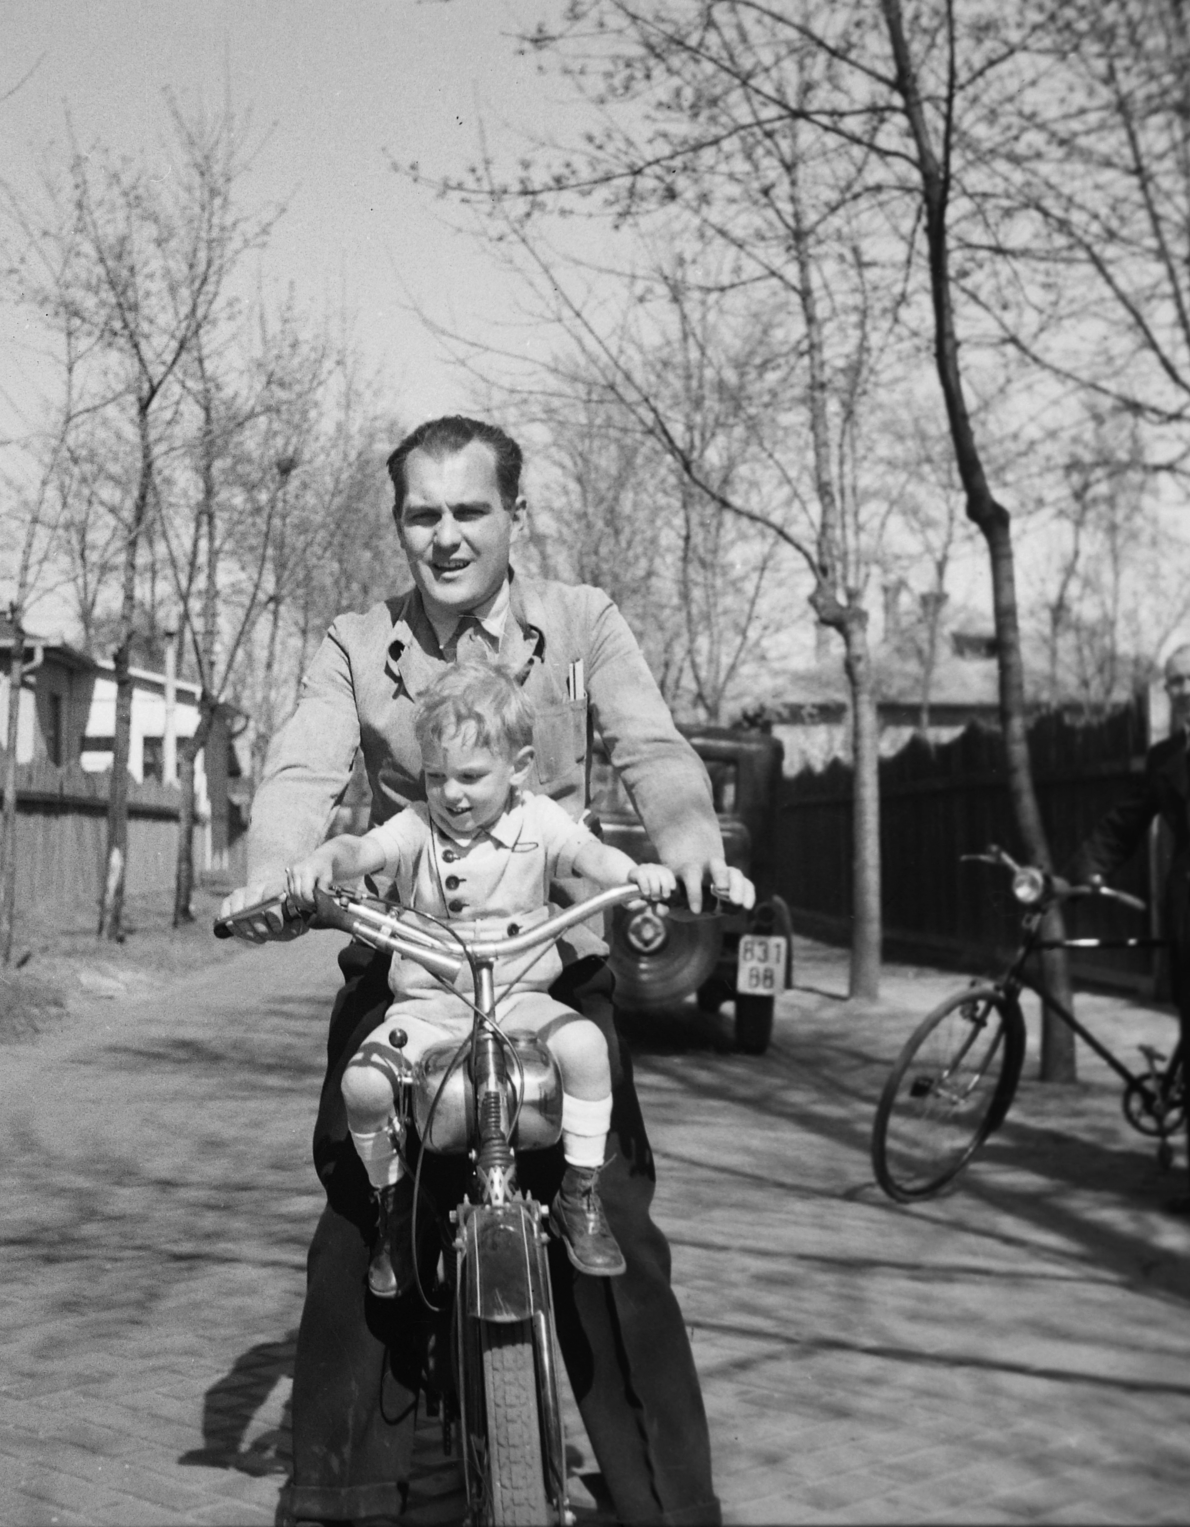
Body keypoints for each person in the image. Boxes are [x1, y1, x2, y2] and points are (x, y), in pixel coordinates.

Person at [220, 414, 749, 1526]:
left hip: (545, 967)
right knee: (357, 1211)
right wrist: (275, 876)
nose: (447, 536)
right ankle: (350, 1496)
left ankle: (663, 1503)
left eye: (470, 510)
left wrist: (688, 839)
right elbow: (301, 771)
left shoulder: (580, 622)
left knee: (616, 1229)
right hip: (407, 968)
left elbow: (650, 745)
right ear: (398, 523)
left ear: (515, 515)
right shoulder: (356, 644)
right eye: (423, 514)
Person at [285, 660, 678, 1295]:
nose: (451, 794)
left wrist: (633, 874)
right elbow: (364, 850)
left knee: (585, 1047)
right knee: (362, 1085)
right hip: (428, 1005)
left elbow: (588, 855)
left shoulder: (539, 818)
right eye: (437, 776)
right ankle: (389, 1203)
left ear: (519, 768)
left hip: (520, 997)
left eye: (471, 777)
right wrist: (328, 858)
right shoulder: (419, 825)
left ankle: (580, 1193)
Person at [1072, 642, 1190, 1217]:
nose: (1186, 690)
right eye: (1175, 682)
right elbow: (1126, 821)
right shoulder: (1164, 758)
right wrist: (1084, 871)